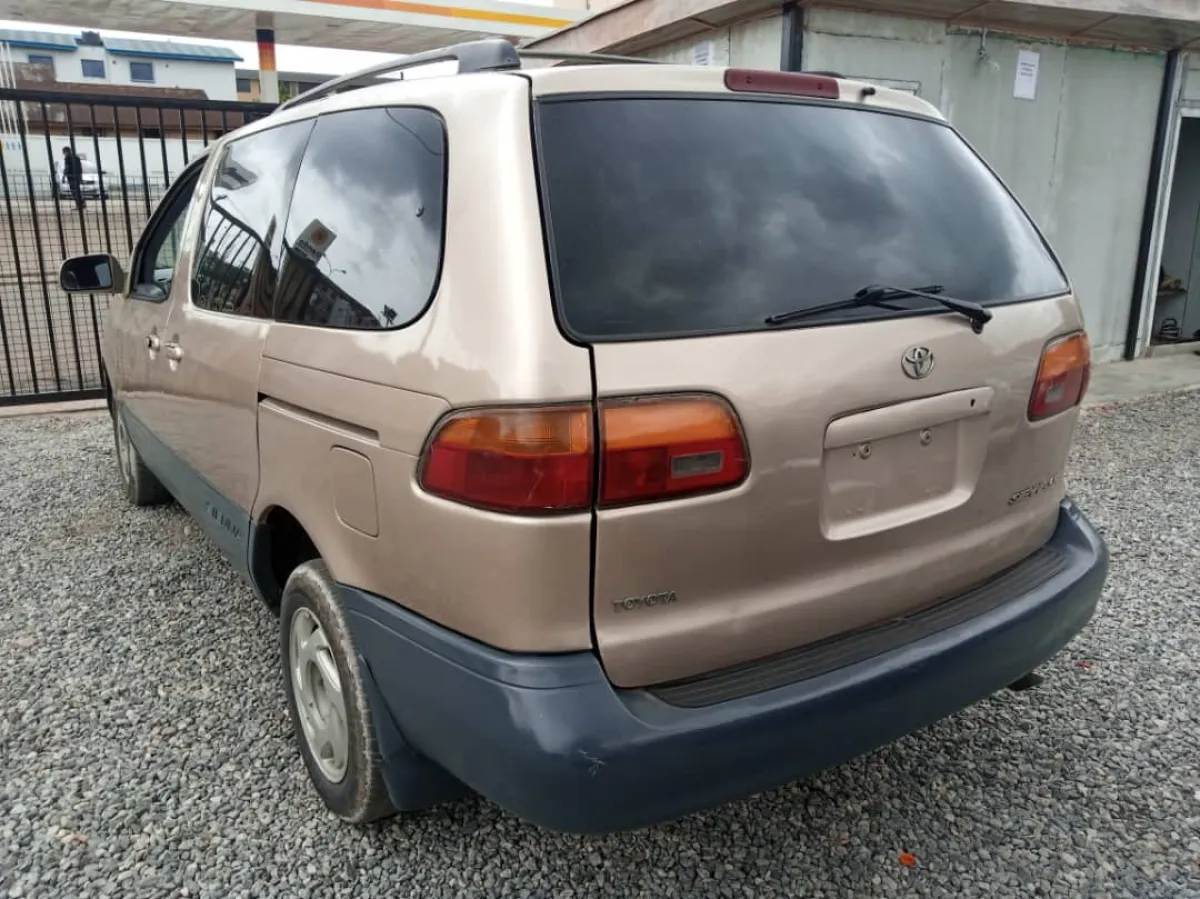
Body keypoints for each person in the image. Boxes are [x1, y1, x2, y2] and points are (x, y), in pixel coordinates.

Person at [61, 145, 84, 211]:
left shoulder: (67, 158)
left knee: (74, 192)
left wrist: (64, 176)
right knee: (77, 191)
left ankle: (78, 205)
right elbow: (80, 168)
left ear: (66, 151)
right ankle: (82, 204)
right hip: (78, 176)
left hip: (71, 176)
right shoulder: (77, 157)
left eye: (64, 152)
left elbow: (67, 167)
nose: (63, 154)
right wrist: (80, 177)